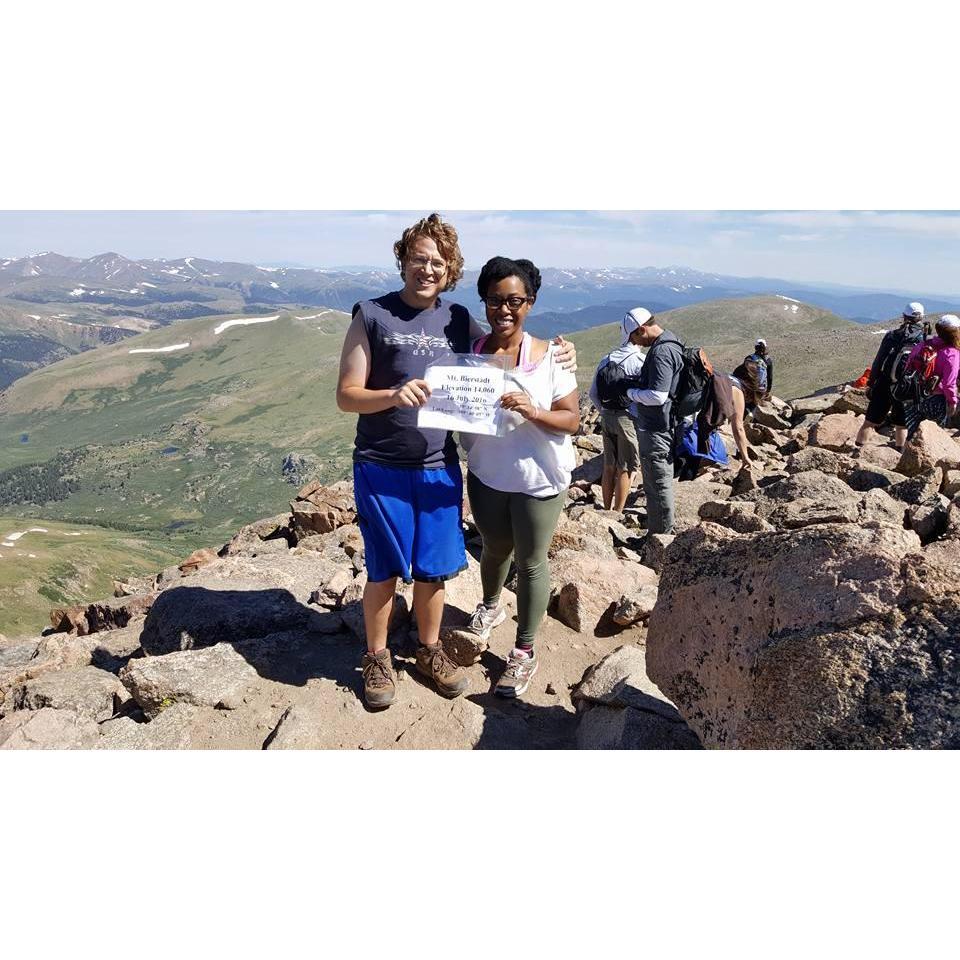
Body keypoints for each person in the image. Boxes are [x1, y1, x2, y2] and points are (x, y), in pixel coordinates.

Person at [336, 214, 576, 709]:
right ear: (403, 260)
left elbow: (504, 348)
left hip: (437, 464)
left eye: (438, 263)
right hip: (381, 464)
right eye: (419, 259)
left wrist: (561, 350)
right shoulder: (371, 315)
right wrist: (390, 394)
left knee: (432, 571)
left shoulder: (459, 322)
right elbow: (346, 396)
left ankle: (429, 649)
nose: (427, 269)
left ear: (450, 271)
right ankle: (377, 657)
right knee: (383, 570)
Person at [461, 256, 579, 698]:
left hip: (538, 481)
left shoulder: (551, 356)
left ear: (529, 303)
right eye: (495, 300)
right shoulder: (470, 354)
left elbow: (572, 421)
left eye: (515, 300)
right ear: (484, 302)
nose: (504, 309)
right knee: (493, 549)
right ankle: (490, 607)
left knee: (530, 562)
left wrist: (533, 411)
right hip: (487, 474)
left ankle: (524, 651)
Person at [624, 311, 684, 535]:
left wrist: (631, 393)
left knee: (657, 482)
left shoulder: (661, 351)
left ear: (642, 329)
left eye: (634, 338)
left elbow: (658, 395)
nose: (635, 343)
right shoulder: (671, 340)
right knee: (658, 480)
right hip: (665, 423)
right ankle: (659, 531)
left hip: (656, 427)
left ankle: (660, 538)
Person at [587, 308, 647, 512]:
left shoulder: (607, 358)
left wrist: (603, 411)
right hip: (628, 419)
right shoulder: (640, 361)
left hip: (607, 417)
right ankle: (618, 512)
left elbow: (593, 393)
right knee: (627, 466)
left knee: (609, 464)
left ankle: (606, 507)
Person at [856, 302, 928, 451]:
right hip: (907, 387)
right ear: (921, 317)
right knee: (901, 425)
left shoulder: (892, 336)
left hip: (885, 382)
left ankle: (857, 451)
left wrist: (871, 383)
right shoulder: (925, 340)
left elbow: (879, 361)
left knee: (870, 422)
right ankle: (898, 455)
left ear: (904, 316)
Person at [902, 313, 960, 438]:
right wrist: (952, 402)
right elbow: (949, 384)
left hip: (914, 395)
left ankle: (905, 455)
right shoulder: (952, 353)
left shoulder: (923, 345)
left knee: (912, 434)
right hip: (936, 400)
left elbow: (908, 366)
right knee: (934, 437)